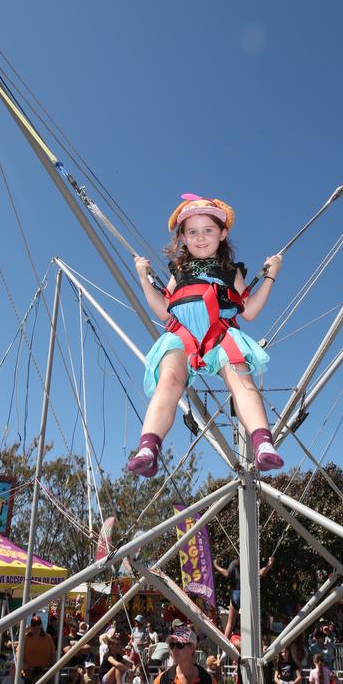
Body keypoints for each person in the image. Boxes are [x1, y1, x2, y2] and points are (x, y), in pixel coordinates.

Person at [127, 195, 284, 477]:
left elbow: (248, 311)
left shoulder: (231, 271)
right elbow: (164, 310)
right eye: (193, 232)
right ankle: (148, 447)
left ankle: (263, 443)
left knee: (241, 381)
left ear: (222, 234)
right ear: (183, 238)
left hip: (220, 333)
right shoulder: (180, 270)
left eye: (208, 230)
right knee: (169, 381)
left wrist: (270, 276)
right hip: (182, 335)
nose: (201, 238)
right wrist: (143, 277)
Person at [214, 554, 275, 639]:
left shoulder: (234, 564)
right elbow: (261, 573)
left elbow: (227, 574)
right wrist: (269, 564)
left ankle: (225, 649)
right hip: (247, 595)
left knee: (230, 623)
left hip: (236, 594)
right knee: (252, 623)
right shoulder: (252, 564)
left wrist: (216, 566)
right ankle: (253, 644)